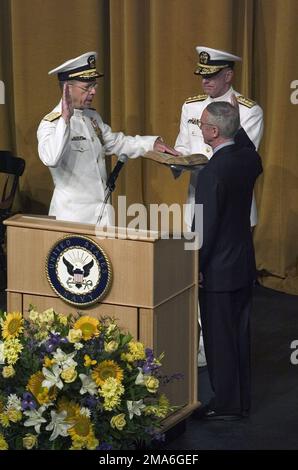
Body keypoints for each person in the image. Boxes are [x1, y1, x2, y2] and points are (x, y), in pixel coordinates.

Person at [175, 46, 264, 367]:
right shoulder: (191, 106)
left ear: (229, 75)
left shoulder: (247, 110)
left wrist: (203, 163)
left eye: (212, 76)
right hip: (197, 200)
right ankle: (202, 341)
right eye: (202, 75)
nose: (205, 82)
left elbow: (239, 161)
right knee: (198, 274)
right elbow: (183, 146)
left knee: (224, 280)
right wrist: (176, 160)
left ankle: (224, 348)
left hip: (231, 209)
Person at [37, 51, 178, 225]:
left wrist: (150, 143)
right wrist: (65, 119)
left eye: (94, 85)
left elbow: (117, 143)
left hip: (102, 217)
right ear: (67, 87)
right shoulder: (51, 123)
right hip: (72, 218)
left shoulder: (92, 118)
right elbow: (51, 158)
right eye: (87, 87)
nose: (93, 91)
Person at [192, 102, 263, 420]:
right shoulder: (249, 159)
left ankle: (225, 403)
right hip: (243, 264)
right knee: (239, 335)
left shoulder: (211, 172)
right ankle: (241, 400)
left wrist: (195, 266)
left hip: (217, 272)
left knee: (220, 339)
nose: (200, 127)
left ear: (213, 131)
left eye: (203, 123)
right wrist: (235, 119)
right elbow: (246, 145)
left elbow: (204, 228)